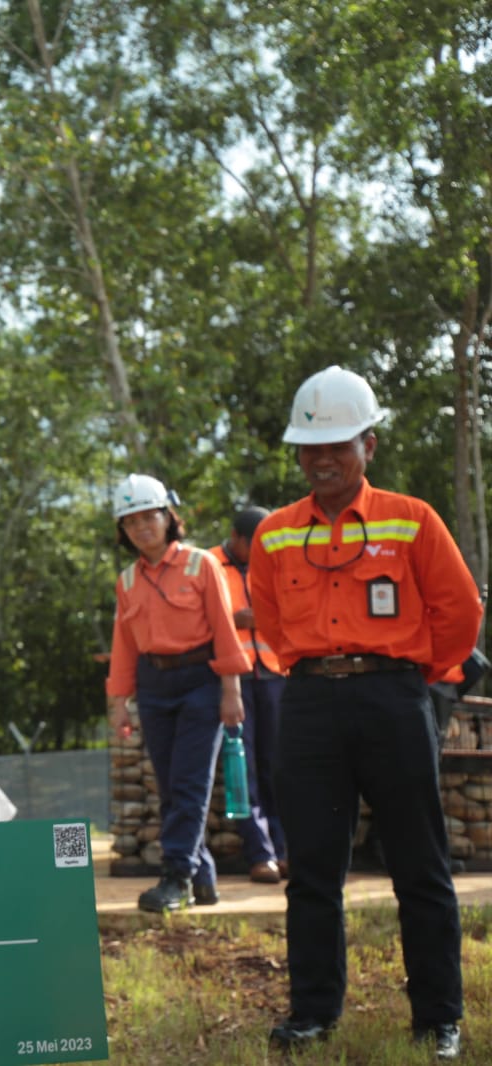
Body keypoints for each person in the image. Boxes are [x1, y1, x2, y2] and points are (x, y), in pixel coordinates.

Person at [250, 366, 481, 1060]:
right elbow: (268, 619)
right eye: (310, 448)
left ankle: (438, 1018)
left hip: (394, 700)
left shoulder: (412, 520)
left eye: (339, 446)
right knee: (314, 871)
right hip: (312, 704)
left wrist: (418, 677)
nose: (323, 460)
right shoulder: (276, 535)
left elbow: (460, 610)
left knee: (420, 866)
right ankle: (314, 1013)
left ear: (369, 446)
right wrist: (315, 667)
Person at [105, 474, 249, 914]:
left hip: (200, 683)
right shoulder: (127, 580)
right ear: (123, 532)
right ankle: (201, 875)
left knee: (189, 783)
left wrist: (231, 691)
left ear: (169, 517)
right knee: (170, 787)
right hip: (154, 686)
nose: (142, 528)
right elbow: (124, 646)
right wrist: (119, 702)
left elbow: (225, 632)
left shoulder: (200, 564)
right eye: (131, 522)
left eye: (150, 516)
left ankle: (176, 878)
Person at [208, 506, 286, 883]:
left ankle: (286, 851)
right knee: (244, 768)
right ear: (237, 539)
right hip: (233, 679)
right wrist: (233, 620)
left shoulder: (277, 561)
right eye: (256, 545)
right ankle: (261, 854)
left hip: (274, 676)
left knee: (280, 766)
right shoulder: (208, 563)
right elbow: (197, 617)